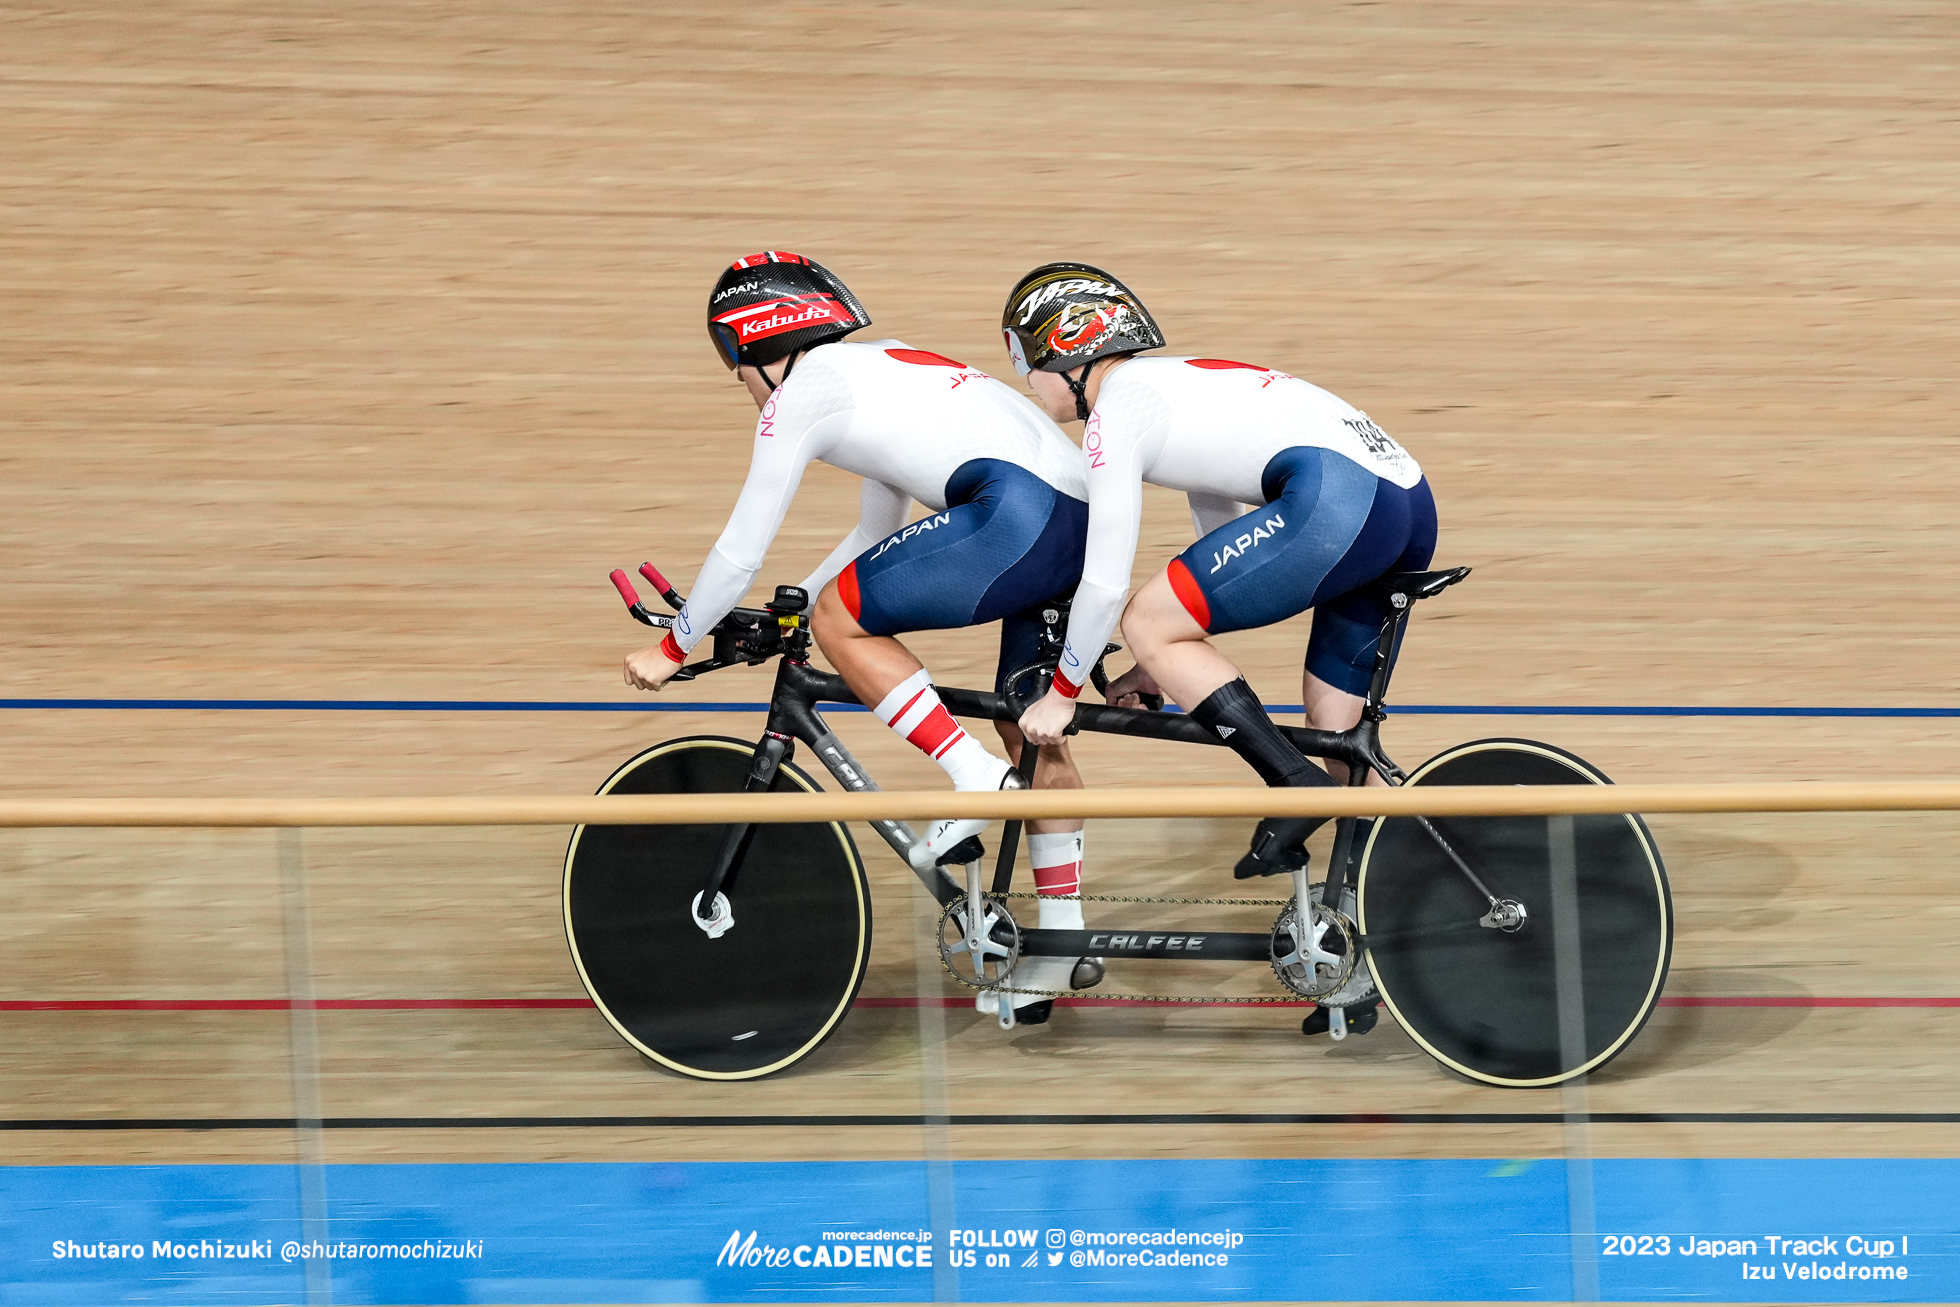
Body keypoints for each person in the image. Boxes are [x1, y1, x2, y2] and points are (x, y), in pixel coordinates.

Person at [622, 250, 1099, 1020]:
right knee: (1031, 731)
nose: (742, 383)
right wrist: (795, 605)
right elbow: (880, 531)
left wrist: (675, 642)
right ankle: (1066, 939)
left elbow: (740, 547)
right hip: (1076, 516)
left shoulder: (800, 397)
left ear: (760, 344)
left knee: (842, 619)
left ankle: (971, 777)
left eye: (736, 365)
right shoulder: (878, 372)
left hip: (1016, 513)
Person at [1004, 261, 1437, 895]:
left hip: (1339, 502)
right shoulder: (1164, 383)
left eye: (1024, 360)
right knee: (1339, 737)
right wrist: (1156, 666)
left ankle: (1293, 784)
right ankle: (1403, 915)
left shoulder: (1116, 412)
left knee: (1146, 619)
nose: (1026, 382)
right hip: (1403, 499)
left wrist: (1064, 691)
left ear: (1071, 351)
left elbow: (1105, 578)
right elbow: (1221, 536)